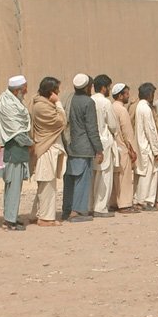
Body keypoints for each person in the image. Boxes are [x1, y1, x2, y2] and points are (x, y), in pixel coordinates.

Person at [0, 75, 32, 231]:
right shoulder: (7, 104)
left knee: (14, 185)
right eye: (24, 88)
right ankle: (10, 221)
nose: (27, 91)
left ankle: (11, 216)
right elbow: (16, 132)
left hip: (17, 150)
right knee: (13, 185)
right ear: (17, 90)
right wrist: (31, 143)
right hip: (12, 149)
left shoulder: (13, 101)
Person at [62, 73, 102, 222]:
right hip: (84, 147)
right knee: (82, 179)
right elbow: (92, 128)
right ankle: (77, 211)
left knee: (71, 179)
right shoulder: (88, 102)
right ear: (86, 87)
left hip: (71, 145)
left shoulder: (69, 98)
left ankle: (67, 209)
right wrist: (99, 149)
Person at [29, 76, 67, 226]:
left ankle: (36, 214)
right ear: (51, 91)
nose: (59, 92)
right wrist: (57, 102)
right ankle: (45, 218)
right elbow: (62, 121)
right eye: (57, 89)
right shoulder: (42, 106)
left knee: (45, 185)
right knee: (47, 186)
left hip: (48, 148)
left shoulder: (40, 102)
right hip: (46, 148)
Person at [90, 74, 118, 218]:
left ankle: (90, 205)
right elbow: (112, 125)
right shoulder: (106, 103)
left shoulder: (90, 100)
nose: (109, 90)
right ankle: (100, 208)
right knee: (104, 176)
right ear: (103, 87)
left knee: (93, 175)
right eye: (109, 87)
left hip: (91, 142)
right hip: (104, 142)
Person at [110, 83, 139, 214]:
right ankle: (125, 204)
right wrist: (132, 150)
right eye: (126, 94)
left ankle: (114, 203)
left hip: (113, 147)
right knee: (124, 178)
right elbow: (127, 133)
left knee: (114, 177)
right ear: (120, 95)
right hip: (122, 147)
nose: (128, 96)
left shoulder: (111, 107)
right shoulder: (122, 110)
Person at [133, 82, 158, 211]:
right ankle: (143, 201)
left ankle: (145, 200)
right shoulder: (145, 108)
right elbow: (150, 130)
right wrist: (156, 150)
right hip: (147, 147)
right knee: (147, 175)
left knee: (146, 174)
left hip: (142, 145)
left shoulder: (140, 107)